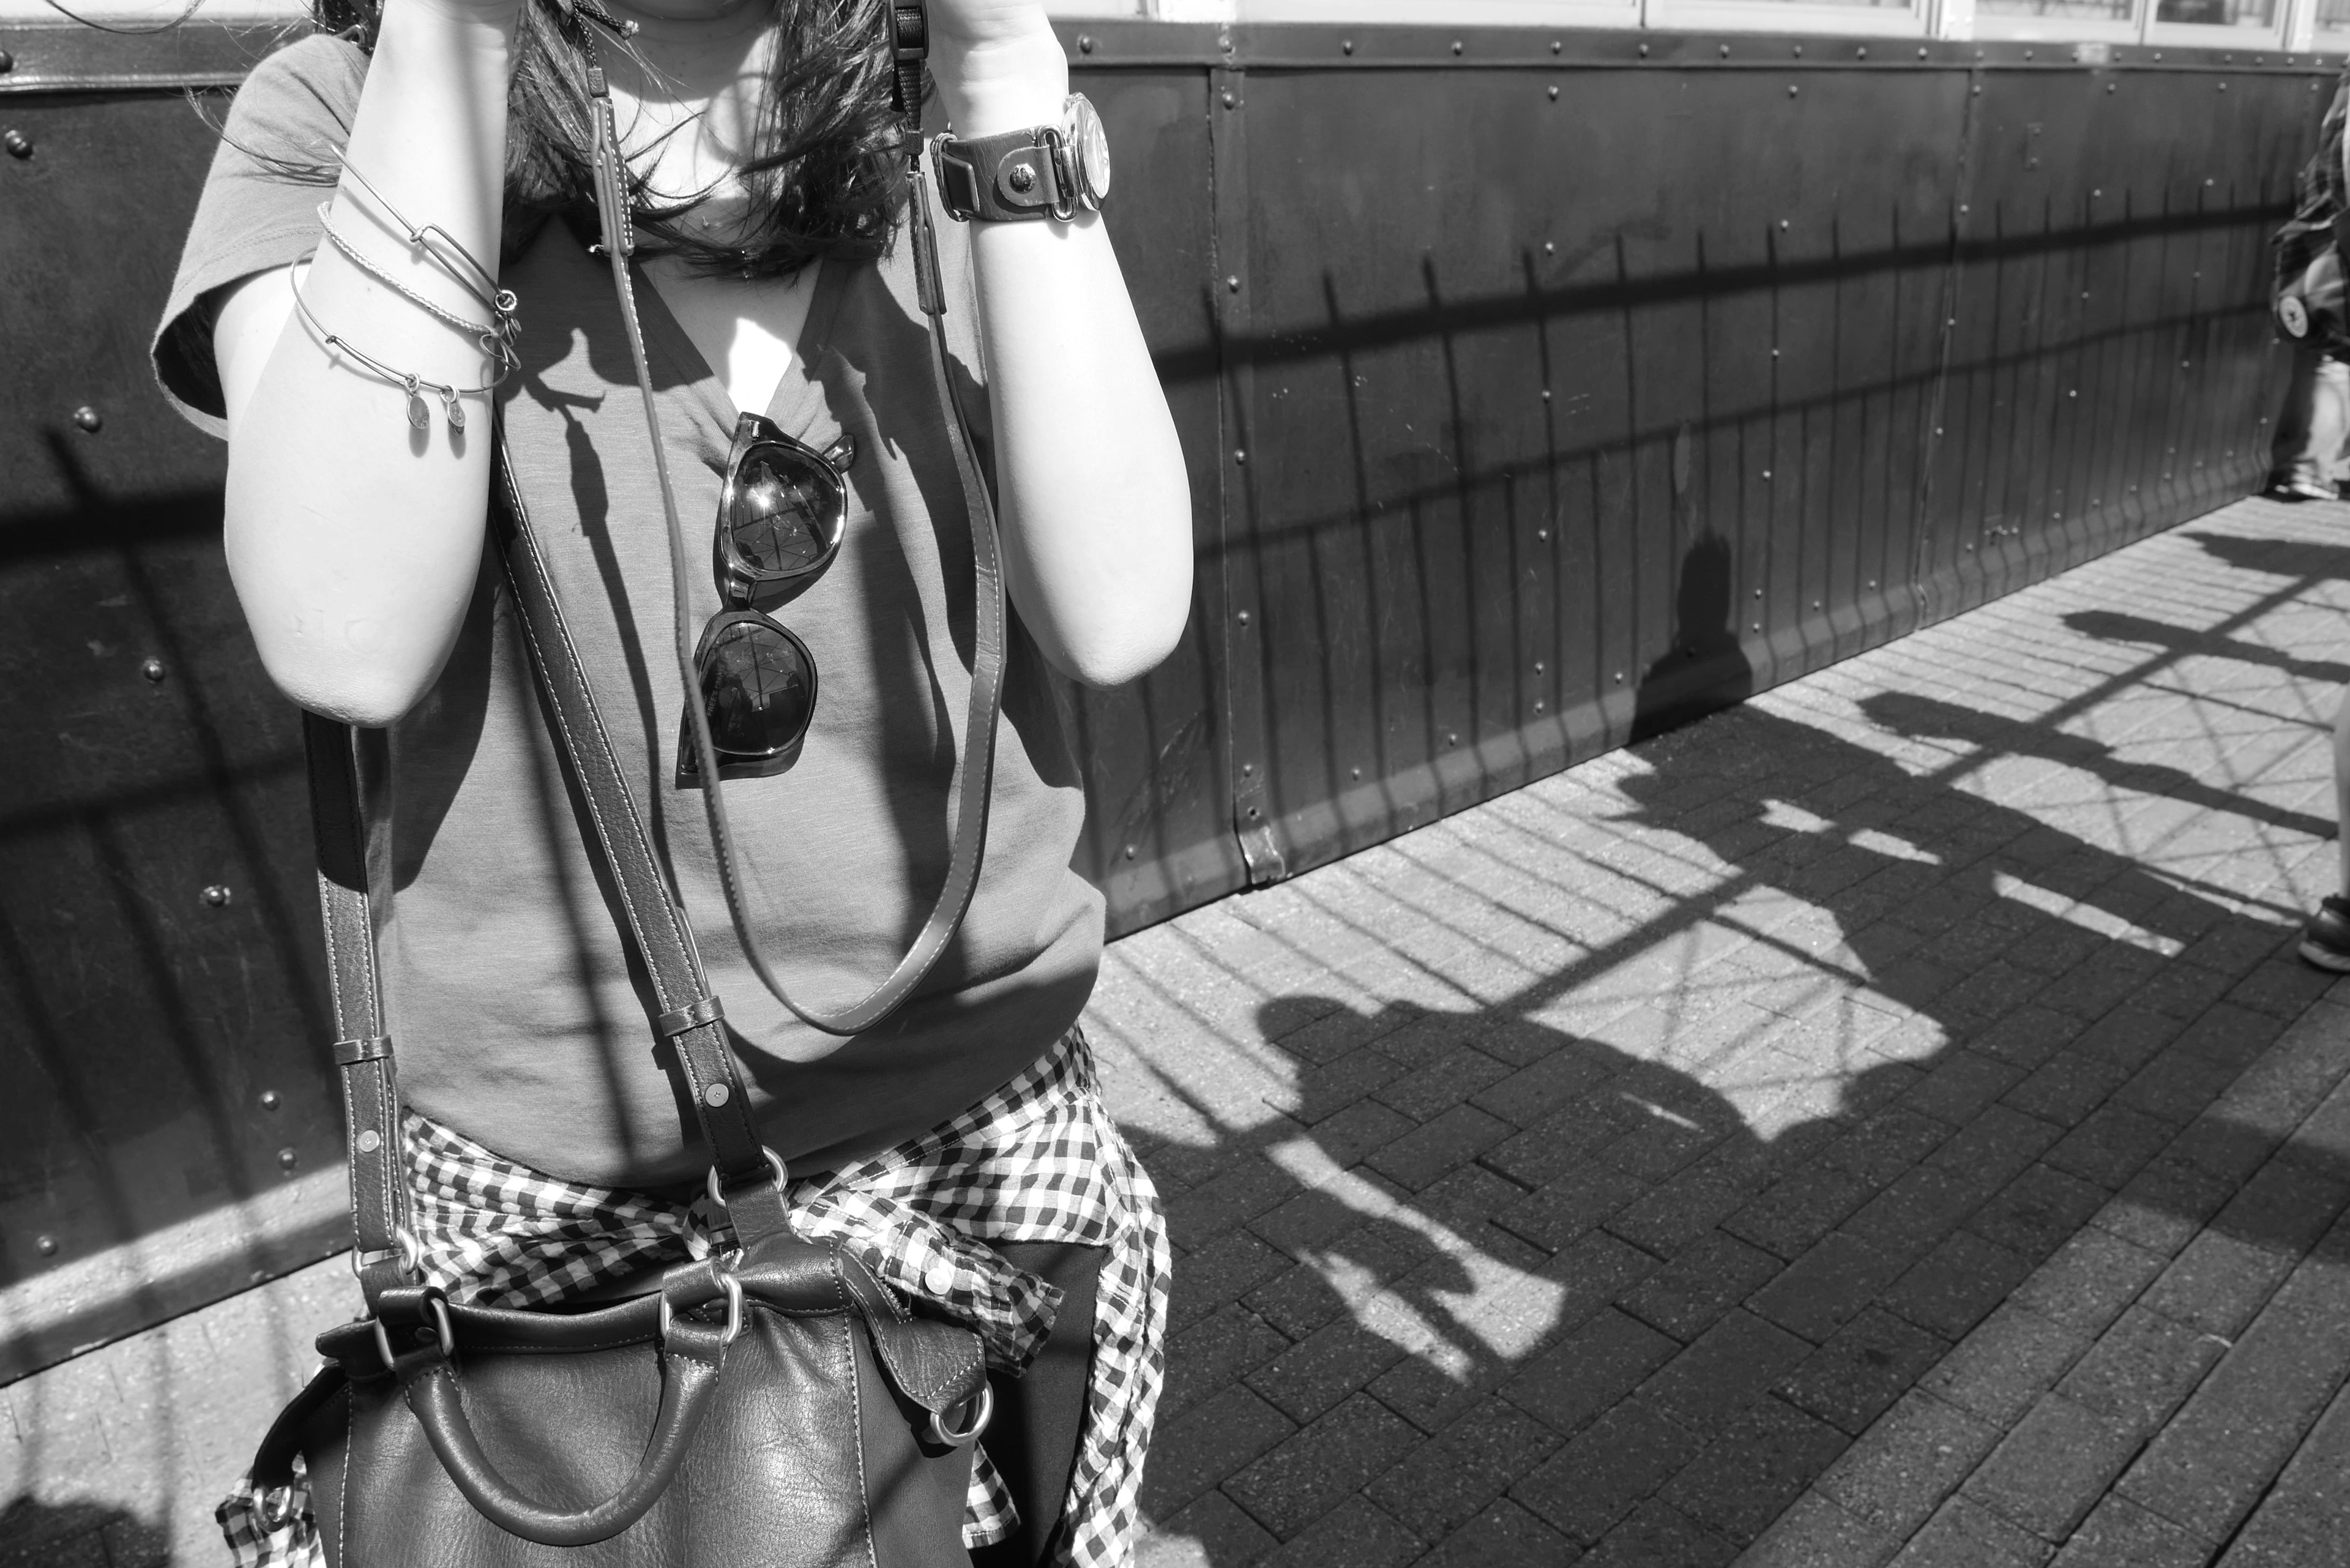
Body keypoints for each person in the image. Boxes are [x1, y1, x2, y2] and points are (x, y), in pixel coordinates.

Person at [149, 0, 1193, 1559]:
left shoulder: (953, 123)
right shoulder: (344, 113)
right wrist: (452, 43)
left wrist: (993, 67)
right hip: (560, 1209)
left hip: (982, 1153)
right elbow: (345, 634)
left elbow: (1115, 611)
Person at [2270, 64, 2350, 502]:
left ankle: (2308, 465)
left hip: (2326, 228)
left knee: (2333, 351)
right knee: (2336, 351)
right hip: (2340, 230)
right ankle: (2310, 466)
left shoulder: (2344, 89)